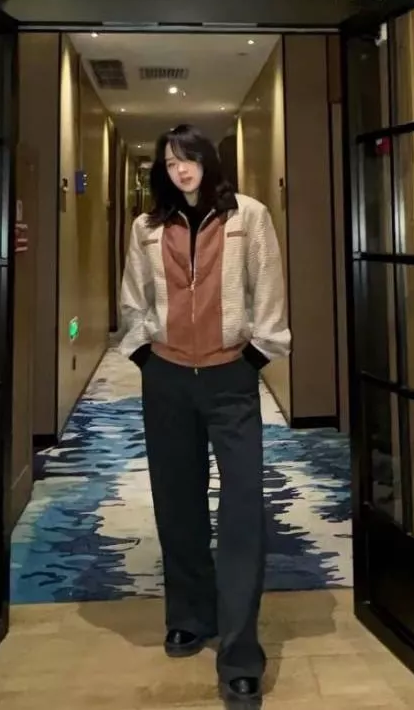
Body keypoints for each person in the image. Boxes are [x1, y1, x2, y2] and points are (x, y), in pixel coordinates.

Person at [119, 124, 291, 707]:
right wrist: (143, 354)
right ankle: (190, 615)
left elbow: (268, 290)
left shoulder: (249, 216)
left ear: (207, 161)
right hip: (167, 379)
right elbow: (134, 298)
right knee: (177, 499)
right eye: (170, 162)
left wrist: (255, 357)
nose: (180, 169)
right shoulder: (146, 227)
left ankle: (240, 653)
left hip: (229, 380)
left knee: (243, 507)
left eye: (188, 158)